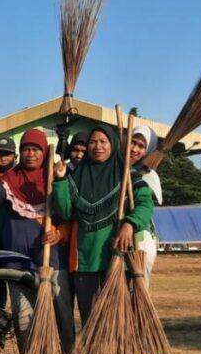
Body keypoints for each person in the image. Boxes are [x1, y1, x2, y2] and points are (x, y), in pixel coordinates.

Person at [52, 126, 154, 326]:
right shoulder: (77, 176)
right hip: (84, 261)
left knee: (117, 320)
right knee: (90, 319)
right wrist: (61, 180)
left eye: (103, 142)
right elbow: (65, 211)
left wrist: (130, 225)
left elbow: (145, 204)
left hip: (116, 259)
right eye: (93, 142)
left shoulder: (126, 174)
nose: (97, 146)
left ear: (113, 145)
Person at [0, 129, 72, 354]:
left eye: (35, 149)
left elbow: (67, 214)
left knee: (61, 311)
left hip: (51, 260)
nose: (30, 154)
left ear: (44, 152)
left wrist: (59, 233)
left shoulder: (54, 178)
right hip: (17, 262)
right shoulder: (10, 179)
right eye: (26, 149)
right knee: (23, 316)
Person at [129, 126, 162, 283]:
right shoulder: (113, 168)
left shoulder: (149, 176)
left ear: (148, 150)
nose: (135, 149)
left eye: (141, 146)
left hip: (140, 234)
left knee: (138, 281)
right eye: (132, 142)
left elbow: (145, 205)